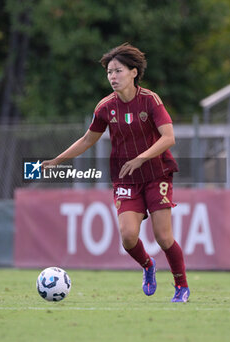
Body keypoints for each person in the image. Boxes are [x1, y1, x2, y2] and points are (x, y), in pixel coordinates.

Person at [42, 43, 190, 303]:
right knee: (128, 237)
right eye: (109, 72)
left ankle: (181, 286)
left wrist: (141, 158)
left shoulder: (150, 100)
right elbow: (88, 139)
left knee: (164, 237)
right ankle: (148, 266)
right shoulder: (105, 107)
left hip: (157, 174)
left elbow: (169, 138)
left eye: (118, 71)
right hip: (126, 178)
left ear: (134, 72)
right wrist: (57, 160)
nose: (112, 77)